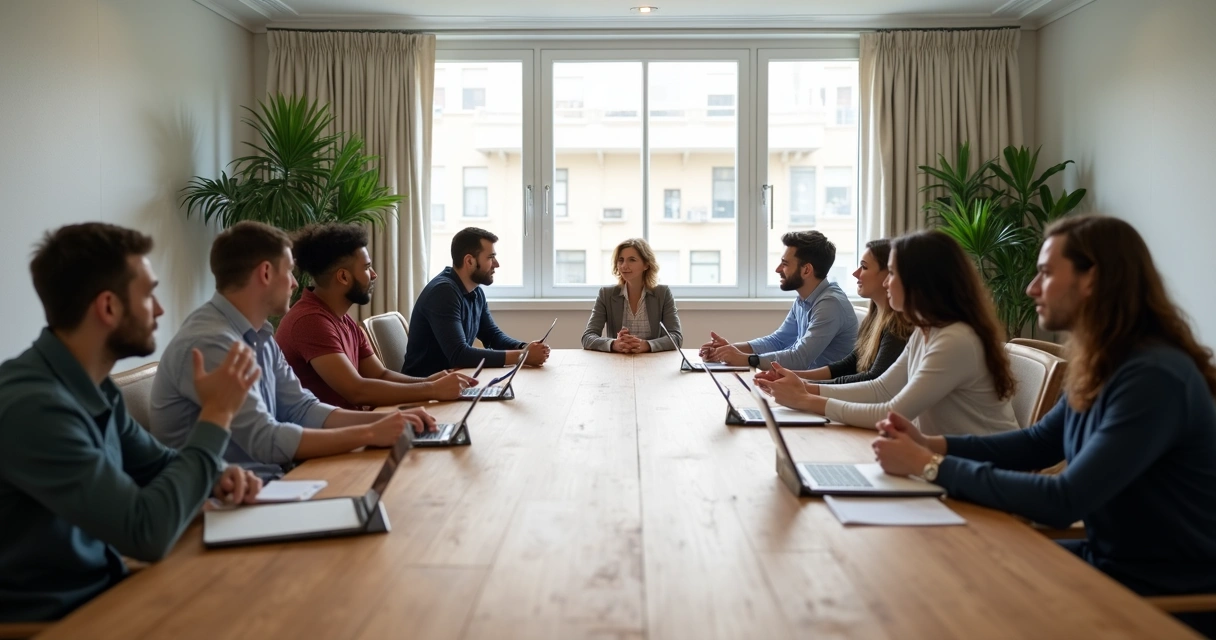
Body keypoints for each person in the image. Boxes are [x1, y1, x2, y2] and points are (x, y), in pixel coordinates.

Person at [871, 215, 1216, 637]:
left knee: (955, 599)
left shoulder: (1153, 377)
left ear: (1093, 280)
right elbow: (1037, 444)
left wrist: (929, 465)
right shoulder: (1107, 362)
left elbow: (1063, 499)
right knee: (944, 573)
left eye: (1047, 273)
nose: (1031, 288)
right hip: (1107, 567)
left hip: (1163, 598)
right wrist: (933, 444)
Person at [0, 223, 262, 622]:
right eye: (148, 293)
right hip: (55, 622)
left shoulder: (92, 386)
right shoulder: (33, 407)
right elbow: (146, 533)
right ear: (108, 307)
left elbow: (158, 464)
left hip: (112, 593)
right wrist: (217, 415)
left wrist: (218, 474)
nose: (158, 309)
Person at [151, 222, 434, 477]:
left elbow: (301, 408)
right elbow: (267, 440)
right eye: (288, 271)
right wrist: (370, 431)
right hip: (226, 504)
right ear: (265, 273)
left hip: (271, 482)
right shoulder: (212, 342)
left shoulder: (260, 334)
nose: (296, 282)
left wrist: (387, 420)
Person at [757, 230, 1018, 436]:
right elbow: (880, 389)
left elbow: (890, 411)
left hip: (981, 472)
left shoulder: (955, 339)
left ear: (919, 281)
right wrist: (804, 388)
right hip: (948, 463)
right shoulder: (926, 331)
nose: (885, 282)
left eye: (892, 273)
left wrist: (805, 398)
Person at [275, 223, 476, 409]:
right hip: (328, 441)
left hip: (349, 429)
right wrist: (433, 390)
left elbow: (380, 374)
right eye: (366, 267)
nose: (373, 274)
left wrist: (432, 381)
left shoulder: (340, 318)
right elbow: (357, 391)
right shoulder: (310, 322)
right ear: (343, 277)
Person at [755, 239, 911, 385]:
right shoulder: (875, 317)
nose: (855, 273)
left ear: (889, 273)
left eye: (864, 267)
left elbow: (872, 382)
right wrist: (793, 377)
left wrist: (804, 385)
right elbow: (850, 364)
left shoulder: (897, 327)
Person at [698, 230, 857, 371]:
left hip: (823, 390)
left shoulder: (830, 304)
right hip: (803, 384)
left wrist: (746, 359)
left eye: (785, 264)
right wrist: (728, 350)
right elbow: (778, 341)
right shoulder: (805, 299)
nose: (778, 269)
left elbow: (799, 358)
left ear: (806, 270)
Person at [402, 227, 550, 377]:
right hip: (426, 389)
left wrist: (526, 348)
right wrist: (522, 356)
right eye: (490, 257)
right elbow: (460, 354)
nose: (496, 264)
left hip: (452, 383)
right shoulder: (443, 292)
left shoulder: (475, 292)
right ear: (469, 261)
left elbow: (492, 336)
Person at [582, 238, 682, 353]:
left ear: (646, 265)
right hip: (617, 361)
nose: (624, 265)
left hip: (653, 361)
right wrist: (614, 344)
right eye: (621, 260)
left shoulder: (663, 293)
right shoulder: (606, 294)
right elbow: (587, 337)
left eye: (632, 260)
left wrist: (646, 345)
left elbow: (676, 337)